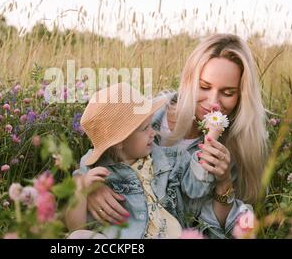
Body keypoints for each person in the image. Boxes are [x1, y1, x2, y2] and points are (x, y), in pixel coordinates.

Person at [84, 34, 269, 238]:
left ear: (242, 95)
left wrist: (223, 183)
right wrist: (88, 188)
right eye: (204, 87)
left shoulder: (235, 144)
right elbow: (101, 150)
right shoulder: (151, 115)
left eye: (227, 93)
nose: (213, 102)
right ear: (189, 80)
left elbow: (216, 227)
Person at [65, 82, 211, 239]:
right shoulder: (93, 170)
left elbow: (197, 190)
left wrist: (208, 146)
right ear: (119, 142)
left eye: (150, 125)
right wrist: (80, 192)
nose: (153, 132)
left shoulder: (169, 160)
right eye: (144, 128)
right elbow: (75, 227)